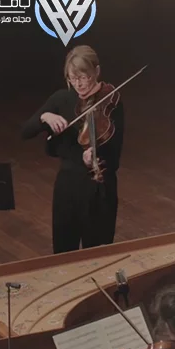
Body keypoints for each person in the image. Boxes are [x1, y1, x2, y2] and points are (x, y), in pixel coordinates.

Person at [21, 45, 124, 254]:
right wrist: (45, 117)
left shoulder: (110, 102)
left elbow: (115, 157)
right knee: (63, 252)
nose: (78, 84)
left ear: (96, 71)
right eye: (72, 78)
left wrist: (94, 158)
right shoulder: (61, 99)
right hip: (67, 187)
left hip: (99, 190)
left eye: (84, 77)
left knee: (96, 255)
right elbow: (25, 131)